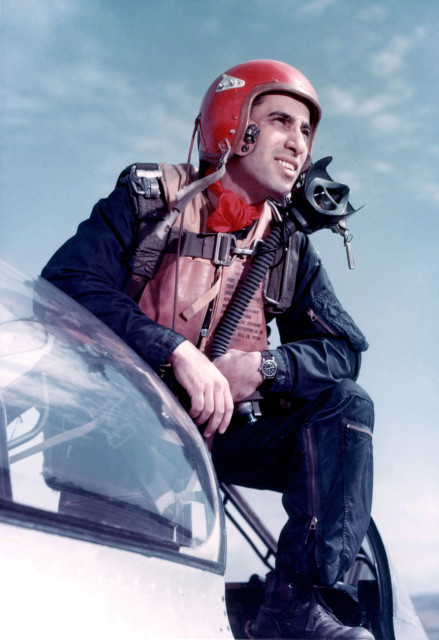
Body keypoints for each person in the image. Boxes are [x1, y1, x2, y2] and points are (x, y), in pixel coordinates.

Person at [41, 60, 375, 639]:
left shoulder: (286, 244)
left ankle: (296, 605)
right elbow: (68, 279)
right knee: (108, 607)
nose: (298, 143)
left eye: (306, 130)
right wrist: (175, 350)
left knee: (347, 407)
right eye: (280, 121)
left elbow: (343, 348)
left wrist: (266, 366)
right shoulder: (150, 201)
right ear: (234, 125)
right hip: (117, 437)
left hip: (214, 437)